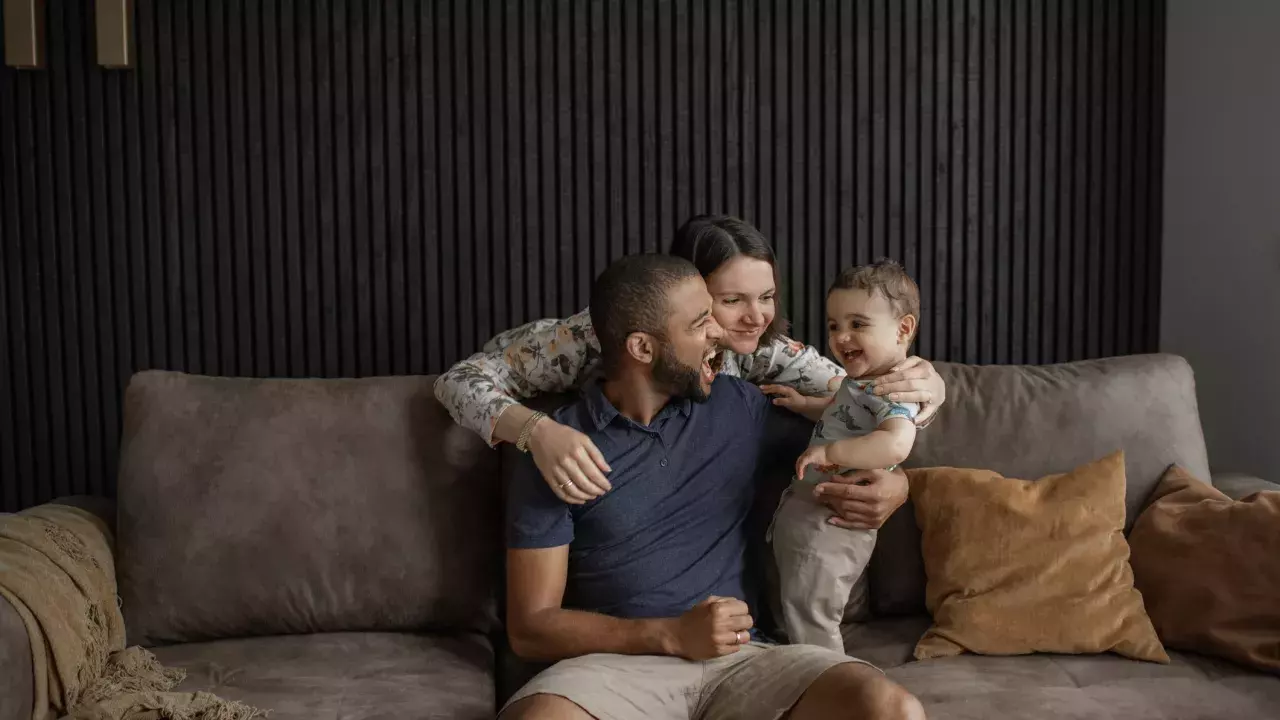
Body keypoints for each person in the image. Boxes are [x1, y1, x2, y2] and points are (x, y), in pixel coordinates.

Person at [500, 253, 925, 720]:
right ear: (643, 349)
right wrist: (669, 634)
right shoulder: (555, 449)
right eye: (701, 322)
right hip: (612, 670)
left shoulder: (739, 407)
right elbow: (530, 628)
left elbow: (854, 439)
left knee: (888, 708)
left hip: (744, 663)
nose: (720, 333)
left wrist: (896, 484)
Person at [434, 214, 947, 531]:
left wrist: (928, 394)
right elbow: (458, 381)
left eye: (766, 297)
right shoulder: (591, 339)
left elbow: (858, 398)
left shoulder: (762, 349)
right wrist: (537, 431)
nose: (756, 316)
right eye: (731, 300)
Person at [771, 260, 924, 652]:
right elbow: (840, 411)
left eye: (858, 324)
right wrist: (805, 403)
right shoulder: (860, 382)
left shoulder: (895, 389)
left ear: (903, 329)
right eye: (834, 325)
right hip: (810, 510)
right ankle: (809, 670)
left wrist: (832, 451)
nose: (841, 337)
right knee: (799, 605)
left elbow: (895, 444)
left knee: (812, 612)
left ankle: (827, 681)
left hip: (836, 518)